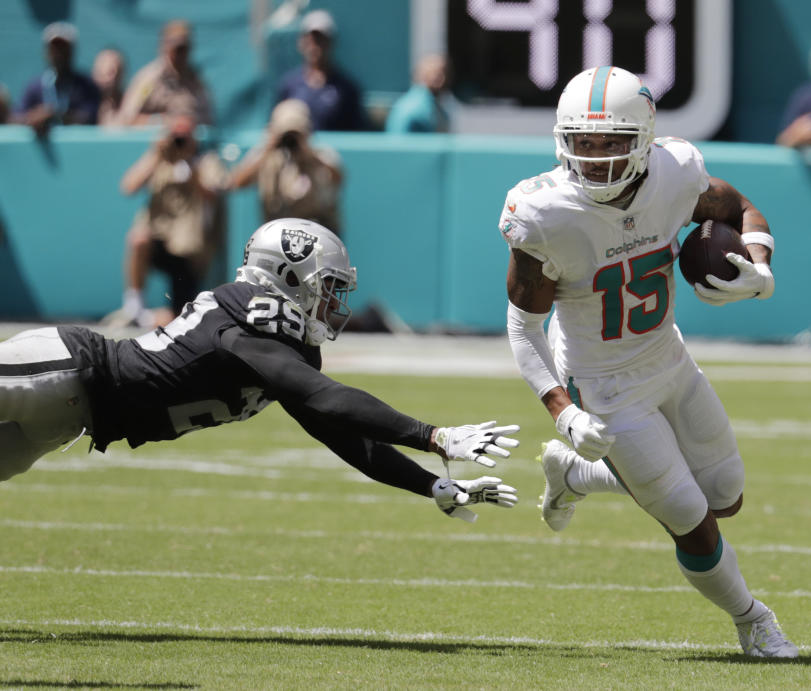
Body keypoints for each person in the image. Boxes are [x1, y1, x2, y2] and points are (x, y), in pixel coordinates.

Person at [500, 66, 797, 658]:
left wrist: (759, 269)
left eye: (612, 141)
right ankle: (752, 620)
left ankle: (577, 474)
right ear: (563, 141)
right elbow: (523, 323)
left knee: (726, 495)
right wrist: (561, 409)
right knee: (690, 515)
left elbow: (739, 206)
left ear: (644, 140)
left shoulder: (676, 169)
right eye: (584, 141)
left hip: (669, 357)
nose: (596, 157)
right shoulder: (542, 213)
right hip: (603, 384)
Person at [0, 218, 520, 522]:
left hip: (72, 416)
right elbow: (327, 398)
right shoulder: (252, 311)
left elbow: (342, 434)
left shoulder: (282, 342)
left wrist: (429, 485)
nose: (335, 302)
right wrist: (434, 436)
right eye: (329, 286)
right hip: (69, 369)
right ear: (288, 277)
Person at [117, 113, 228, 328]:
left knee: (182, 320)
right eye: (175, 136)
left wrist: (189, 162)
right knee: (138, 238)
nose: (179, 140)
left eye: (184, 136)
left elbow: (212, 193)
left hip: (189, 252)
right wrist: (156, 154)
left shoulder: (206, 162)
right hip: (160, 241)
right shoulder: (159, 160)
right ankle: (134, 307)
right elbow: (128, 186)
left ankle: (153, 317)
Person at [231, 99, 343, 233]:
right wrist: (269, 148)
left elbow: (338, 176)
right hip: (277, 231)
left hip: (315, 231)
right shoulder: (265, 155)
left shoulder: (319, 153)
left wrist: (308, 152)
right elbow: (238, 182)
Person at [276, 10, 367, 132]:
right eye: (310, 40)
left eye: (320, 40)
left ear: (331, 43)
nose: (314, 46)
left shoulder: (347, 90)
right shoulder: (288, 85)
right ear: (301, 43)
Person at [118, 19, 214, 126]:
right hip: (154, 140)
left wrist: (188, 123)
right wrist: (160, 121)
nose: (181, 55)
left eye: (185, 49)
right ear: (165, 47)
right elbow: (127, 118)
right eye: (177, 49)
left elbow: (208, 120)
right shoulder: (149, 79)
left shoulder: (196, 81)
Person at [15, 22, 100, 135]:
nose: (59, 54)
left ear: (71, 52)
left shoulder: (86, 85)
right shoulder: (35, 86)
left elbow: (90, 117)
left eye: (63, 49)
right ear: (46, 53)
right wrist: (34, 118)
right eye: (54, 49)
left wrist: (55, 115)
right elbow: (16, 117)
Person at [385, 54, 451, 133]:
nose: (443, 80)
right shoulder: (421, 108)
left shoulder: (416, 101)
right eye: (438, 75)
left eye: (446, 74)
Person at [92, 48, 126, 126]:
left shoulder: (127, 104)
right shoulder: (85, 103)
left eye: (117, 72)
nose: (112, 78)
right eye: (109, 72)